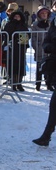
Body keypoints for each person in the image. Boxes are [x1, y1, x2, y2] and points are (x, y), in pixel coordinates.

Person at [32, 16, 56, 146]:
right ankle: (46, 136)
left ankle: (46, 136)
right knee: (54, 106)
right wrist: (49, 47)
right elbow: (45, 42)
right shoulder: (54, 24)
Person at [1, 9, 30, 91]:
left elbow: (28, 34)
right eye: (15, 16)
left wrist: (23, 38)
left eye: (18, 16)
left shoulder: (23, 25)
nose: (17, 18)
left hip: (21, 48)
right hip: (11, 48)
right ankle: (13, 83)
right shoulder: (9, 24)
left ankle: (19, 83)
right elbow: (5, 34)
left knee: (21, 66)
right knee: (12, 66)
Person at [30, 5, 51, 91]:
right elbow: (33, 37)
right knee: (39, 67)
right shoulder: (35, 24)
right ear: (39, 14)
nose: (44, 14)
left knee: (49, 67)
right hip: (40, 48)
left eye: (45, 13)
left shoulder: (50, 24)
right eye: (42, 13)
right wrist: (36, 47)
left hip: (49, 49)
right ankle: (38, 84)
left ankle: (48, 83)